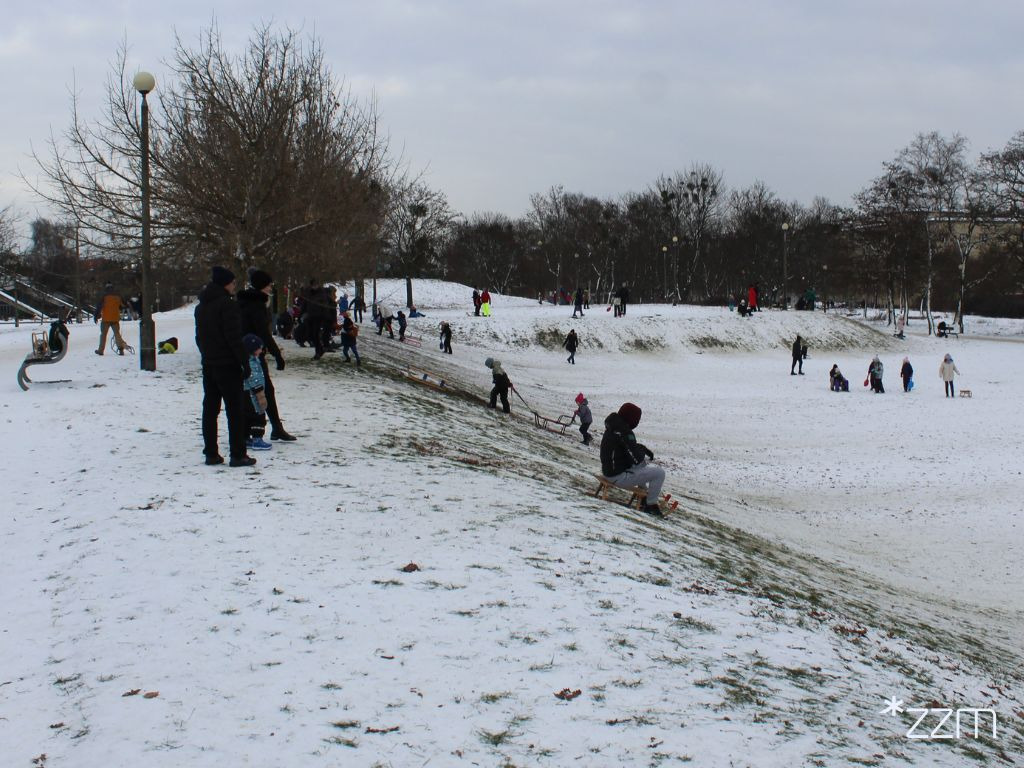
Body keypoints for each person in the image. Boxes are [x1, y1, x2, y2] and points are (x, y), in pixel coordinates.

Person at [194, 266, 255, 467]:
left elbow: (199, 338)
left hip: (209, 364)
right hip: (228, 365)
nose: (234, 286)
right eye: (232, 282)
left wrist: (207, 356)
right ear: (225, 283)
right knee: (235, 410)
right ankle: (238, 454)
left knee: (210, 409)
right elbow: (234, 338)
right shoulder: (228, 306)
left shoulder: (201, 307)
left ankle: (211, 452)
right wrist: (244, 362)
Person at [237, 269, 296, 441]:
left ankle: (269, 428)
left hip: (246, 352)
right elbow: (263, 333)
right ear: (262, 285)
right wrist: (277, 354)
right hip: (253, 353)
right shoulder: (256, 305)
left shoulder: (244, 302)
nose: (271, 287)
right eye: (269, 284)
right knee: (263, 390)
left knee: (257, 390)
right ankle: (268, 429)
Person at [600, 402, 665, 516]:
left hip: (609, 471)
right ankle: (651, 505)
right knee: (659, 473)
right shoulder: (625, 433)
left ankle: (644, 498)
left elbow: (625, 448)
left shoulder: (614, 427)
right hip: (617, 477)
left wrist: (640, 448)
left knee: (641, 466)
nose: (637, 423)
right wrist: (641, 451)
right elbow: (637, 458)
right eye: (637, 420)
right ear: (630, 418)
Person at [241, 333, 272, 452]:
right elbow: (253, 377)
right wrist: (259, 392)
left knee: (247, 416)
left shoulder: (251, 360)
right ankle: (257, 438)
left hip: (246, 393)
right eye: (260, 348)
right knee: (258, 415)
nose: (262, 350)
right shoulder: (251, 363)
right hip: (253, 394)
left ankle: (244, 437)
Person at [93, 283, 129, 356]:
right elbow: (124, 305)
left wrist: (96, 316)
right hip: (115, 318)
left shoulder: (104, 296)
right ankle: (121, 349)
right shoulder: (118, 296)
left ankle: (101, 350)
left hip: (106, 318)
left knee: (103, 335)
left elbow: (99, 306)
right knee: (117, 334)